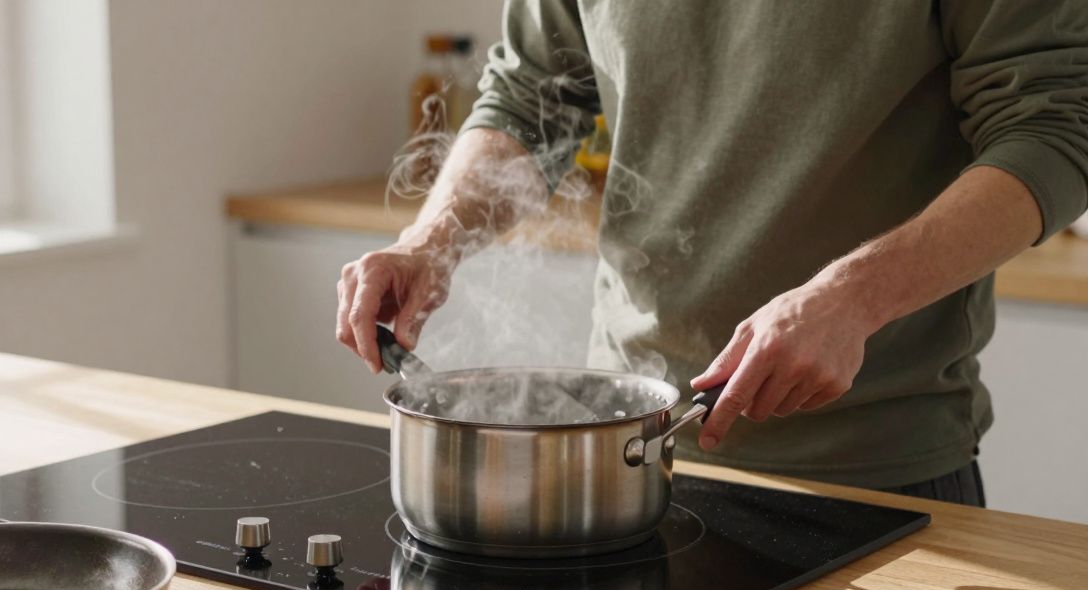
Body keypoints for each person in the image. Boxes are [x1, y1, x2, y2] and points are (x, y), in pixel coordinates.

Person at [336, 2, 1088, 504]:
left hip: (874, 472)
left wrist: (851, 298)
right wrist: (429, 242)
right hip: (626, 456)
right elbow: (535, 93)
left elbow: (1057, 126)